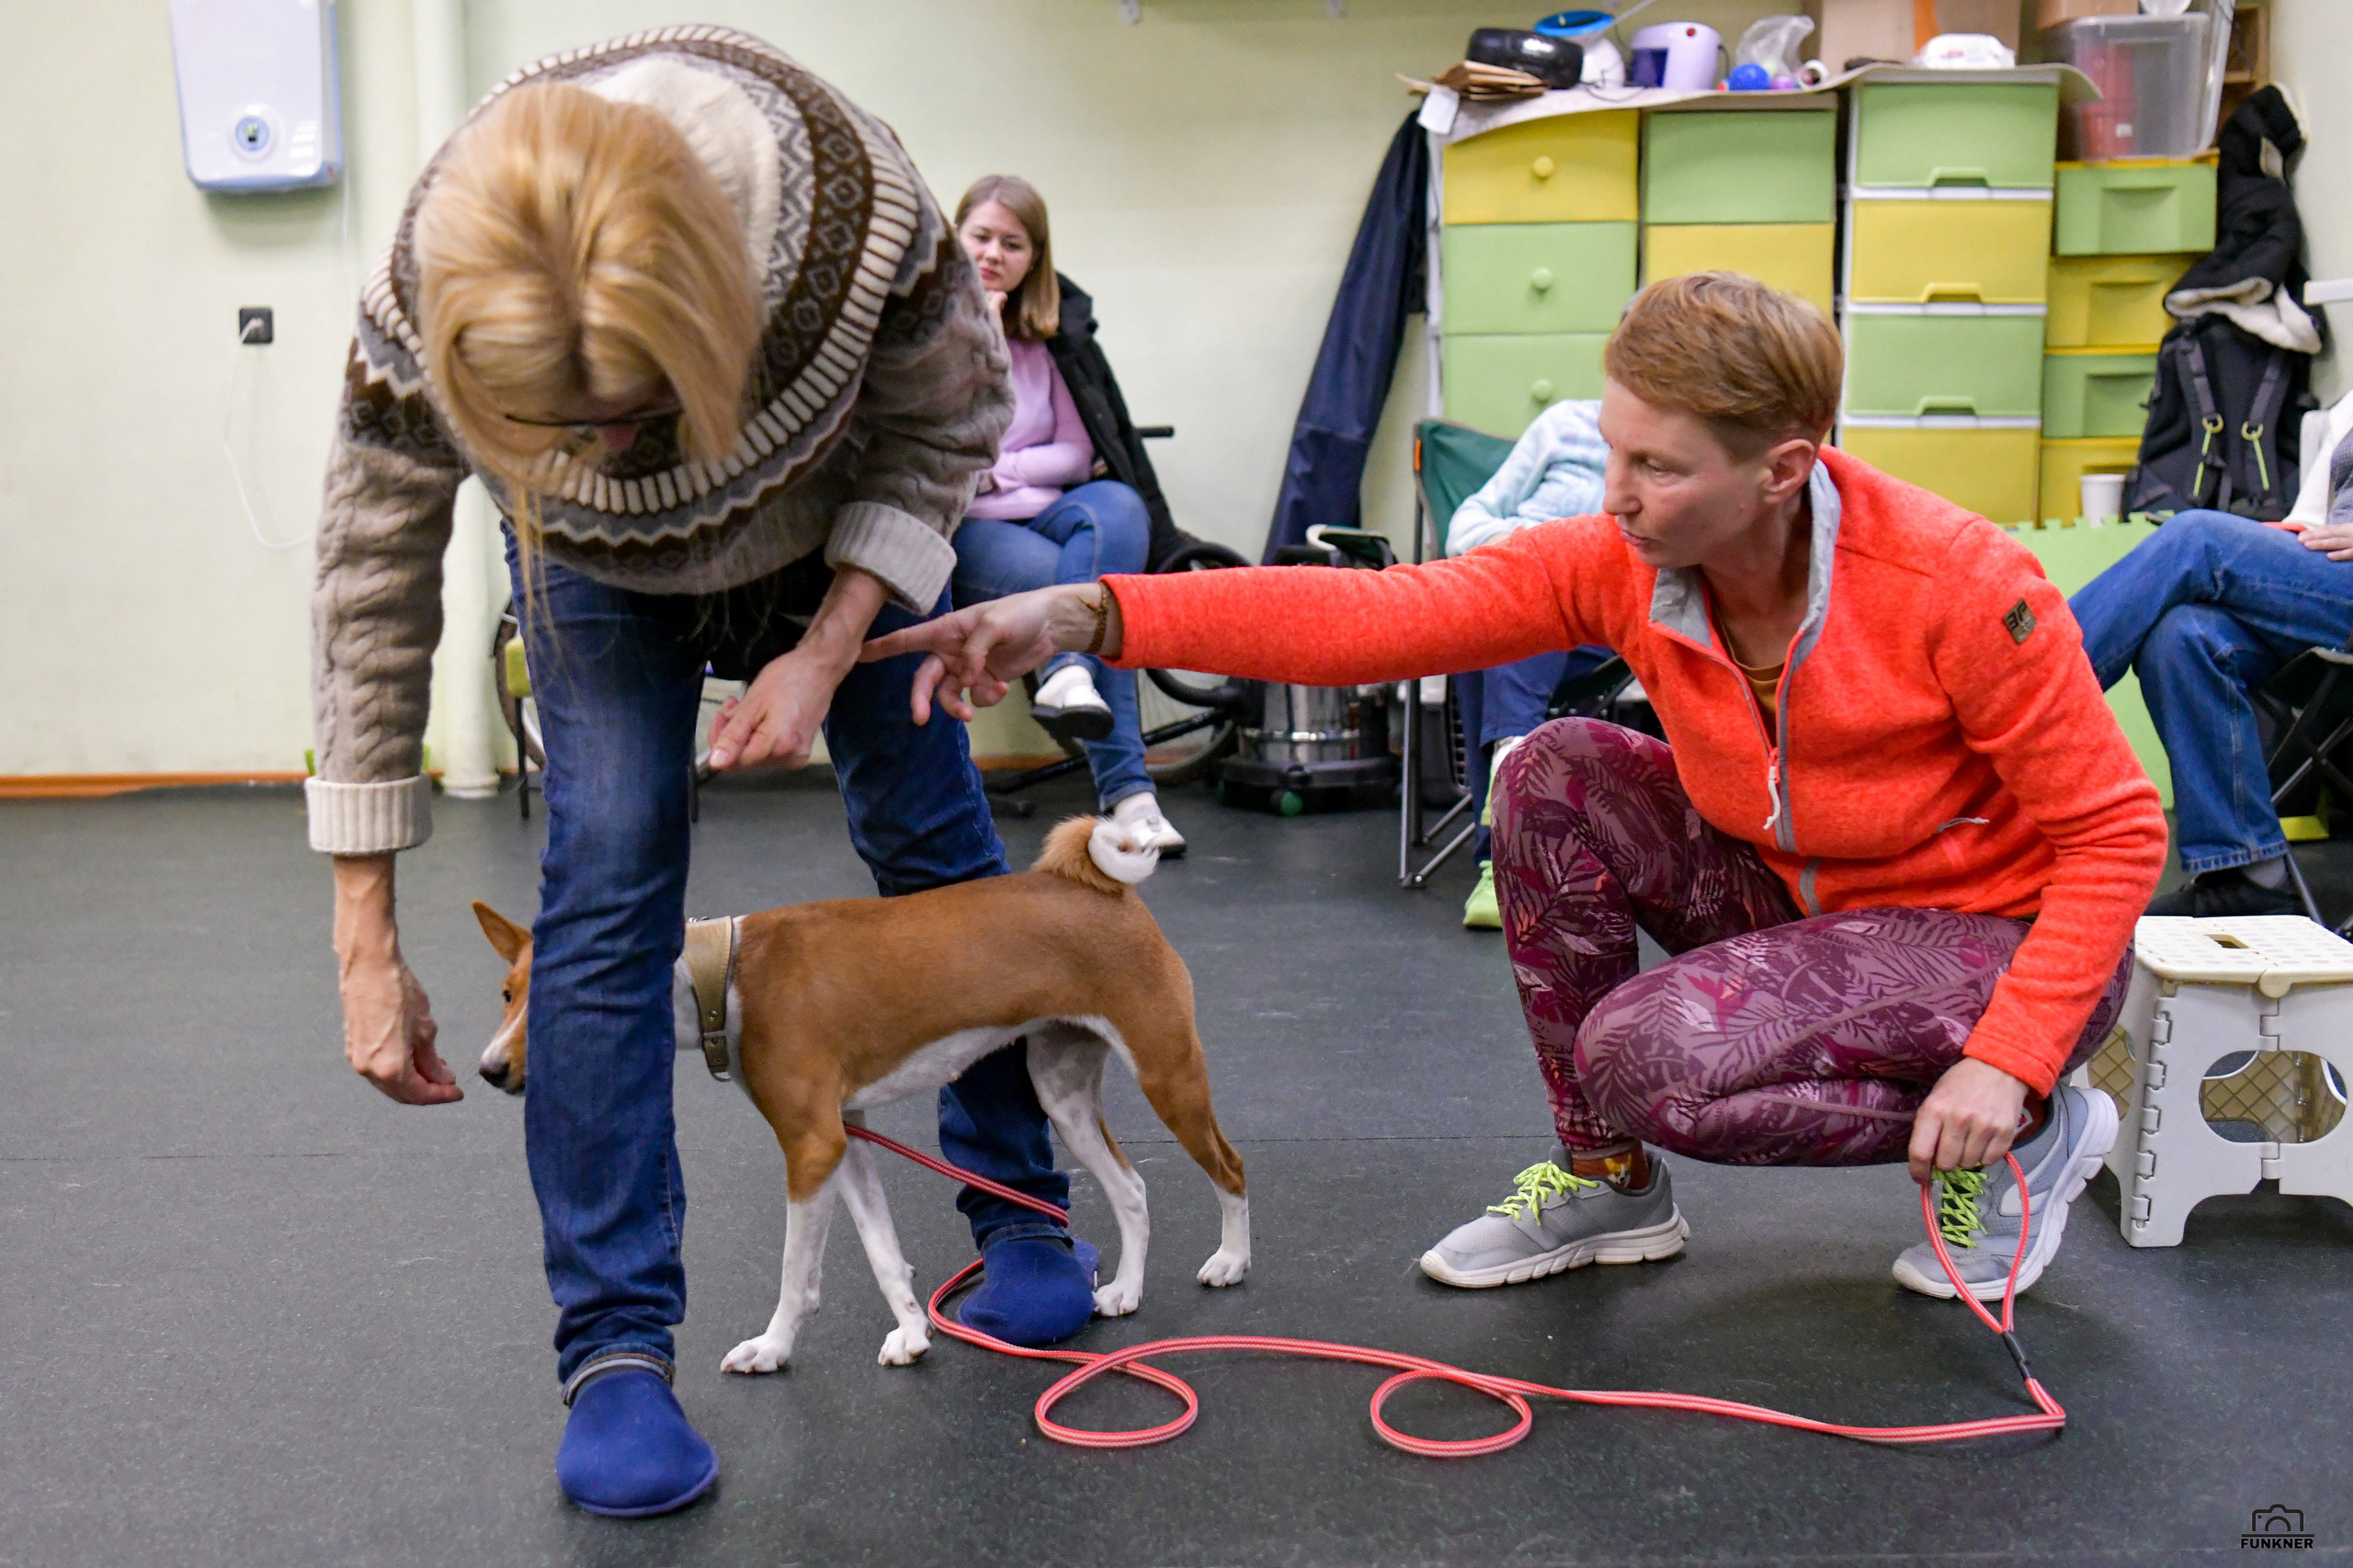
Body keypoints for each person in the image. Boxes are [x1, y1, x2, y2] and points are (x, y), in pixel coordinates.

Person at [872, 273, 2167, 1312]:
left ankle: (2031, 1129)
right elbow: (1387, 615)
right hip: (1800, 899)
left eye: (1660, 467)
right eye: (1615, 451)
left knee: (1652, 1052)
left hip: (1987, 943)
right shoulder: (1633, 556)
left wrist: (2010, 1054)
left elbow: (2117, 832)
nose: (1619, 495)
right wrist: (1094, 608)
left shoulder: (1958, 583)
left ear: (1781, 471)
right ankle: (1614, 1186)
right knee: (1552, 768)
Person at [307, 29, 1097, 1518]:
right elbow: (369, 580)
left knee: (932, 835)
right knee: (605, 875)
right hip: (597, 579)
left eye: (636, 413)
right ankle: (613, 1354)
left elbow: (947, 419)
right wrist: (363, 932)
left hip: (836, 524)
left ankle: (1022, 1213)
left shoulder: (856, 210)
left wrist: (832, 635)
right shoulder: (420, 289)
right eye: (562, 428)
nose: (608, 444)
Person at [948, 175, 1184, 853]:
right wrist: (980, 341)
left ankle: (1067, 674)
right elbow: (951, 455)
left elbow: (1079, 453)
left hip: (1050, 510)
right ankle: (1132, 796)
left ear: (1033, 260)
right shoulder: (925, 343)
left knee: (1118, 506)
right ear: (955, 239)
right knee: (1097, 599)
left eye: (1012, 243)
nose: (994, 253)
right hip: (975, 528)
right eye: (981, 236)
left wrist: (1009, 469)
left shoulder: (1048, 341)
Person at [2069, 419, 2353, 917]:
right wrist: (2270, 542)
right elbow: (2312, 519)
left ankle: (2016, 696)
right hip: (2329, 589)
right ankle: (2249, 877)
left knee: (2196, 536)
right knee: (2181, 635)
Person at [1444, 398, 1615, 929]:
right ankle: (1509, 809)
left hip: (1601, 615)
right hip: (1513, 581)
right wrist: (1519, 547)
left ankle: (1499, 852)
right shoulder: (1566, 424)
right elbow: (1468, 519)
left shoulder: (1677, 448)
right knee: (1492, 628)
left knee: (1513, 621)